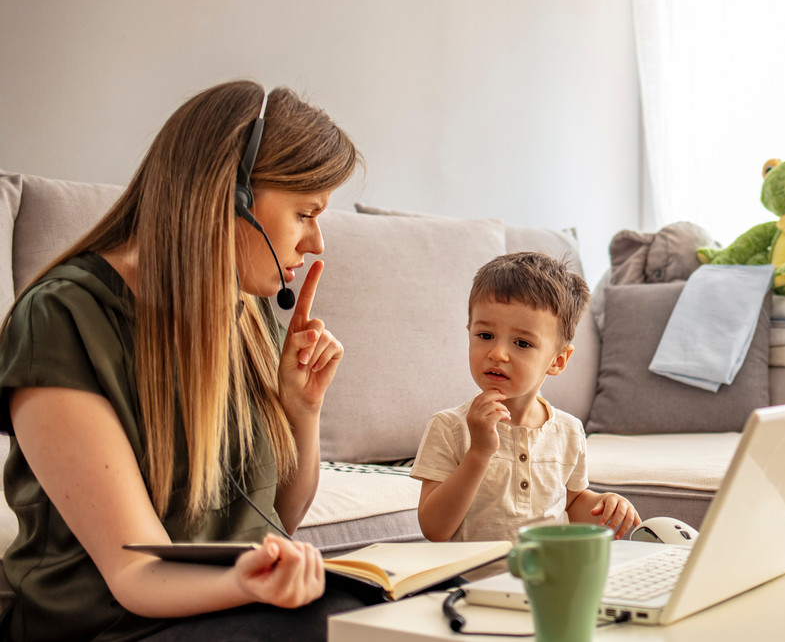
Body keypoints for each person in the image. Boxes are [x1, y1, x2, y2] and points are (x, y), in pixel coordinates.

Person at [0, 80, 366, 641]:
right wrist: (248, 585)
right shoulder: (61, 319)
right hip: (110, 629)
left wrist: (302, 408)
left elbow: (276, 523)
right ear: (233, 196)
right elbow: (136, 574)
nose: (316, 242)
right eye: (306, 213)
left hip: (229, 614)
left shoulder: (246, 311)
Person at [412, 252, 641, 544]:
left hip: (546, 583)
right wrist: (479, 452)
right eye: (485, 335)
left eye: (521, 343)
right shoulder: (449, 427)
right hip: (472, 584)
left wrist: (606, 506)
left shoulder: (568, 431)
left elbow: (570, 504)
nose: (497, 353)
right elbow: (434, 529)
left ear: (558, 360)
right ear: (469, 332)